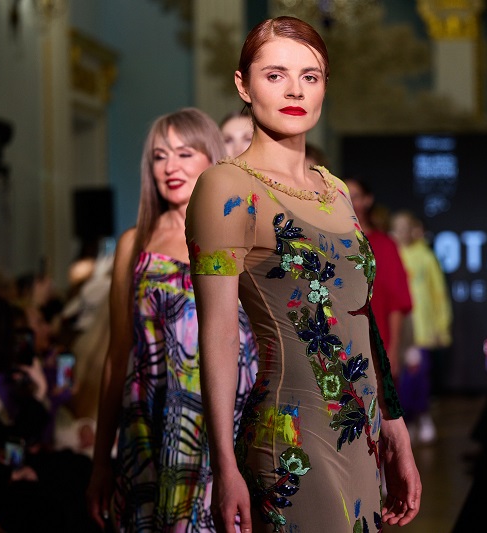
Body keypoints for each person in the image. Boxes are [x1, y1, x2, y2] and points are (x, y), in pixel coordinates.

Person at [186, 16, 421, 532]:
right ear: (243, 85)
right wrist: (224, 465)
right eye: (275, 75)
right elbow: (219, 333)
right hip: (290, 437)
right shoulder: (225, 188)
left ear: (324, 87)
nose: (294, 90)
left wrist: (395, 425)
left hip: (363, 435)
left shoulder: (336, 189)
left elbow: (360, 316)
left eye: (309, 76)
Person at [86, 108, 259, 532]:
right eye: (160, 156)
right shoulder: (135, 243)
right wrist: (100, 461)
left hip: (227, 423)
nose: (170, 167)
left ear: (211, 157)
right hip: (148, 424)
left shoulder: (243, 231)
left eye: (184, 153)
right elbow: (117, 356)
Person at [389, 210, 452, 444]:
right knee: (399, 376)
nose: (401, 232)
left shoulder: (425, 257)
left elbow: (438, 293)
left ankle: (422, 415)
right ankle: (406, 420)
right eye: (397, 228)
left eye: (406, 227)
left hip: (421, 325)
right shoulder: (389, 254)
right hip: (397, 326)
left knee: (420, 373)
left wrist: (441, 326)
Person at [345, 178, 412, 383]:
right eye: (343, 195)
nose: (349, 201)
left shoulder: (384, 245)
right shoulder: (329, 244)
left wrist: (393, 350)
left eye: (355, 196)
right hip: (339, 345)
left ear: (367, 200)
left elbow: (396, 302)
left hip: (376, 345)